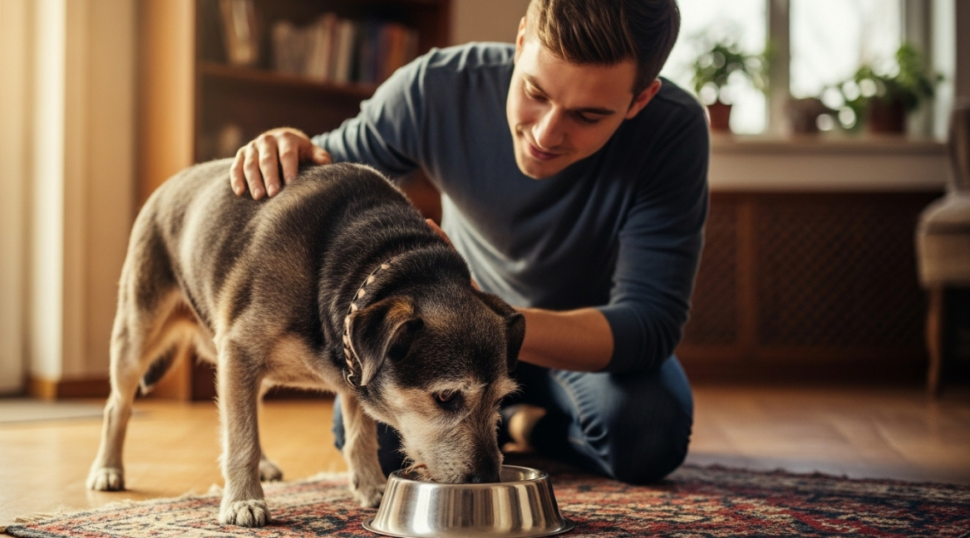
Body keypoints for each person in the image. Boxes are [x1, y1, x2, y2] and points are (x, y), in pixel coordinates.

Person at [229, 0, 707, 484]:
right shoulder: (437, 86)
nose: (545, 134)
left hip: (580, 350)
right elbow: (327, 171)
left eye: (587, 116)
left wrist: (486, 316)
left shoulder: (674, 128)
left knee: (648, 432)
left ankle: (523, 426)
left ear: (640, 100)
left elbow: (649, 325)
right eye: (535, 92)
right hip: (452, 345)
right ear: (521, 42)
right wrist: (288, 145)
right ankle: (512, 422)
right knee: (385, 446)